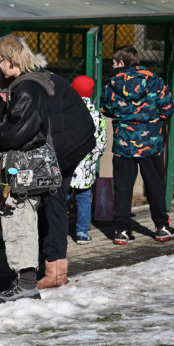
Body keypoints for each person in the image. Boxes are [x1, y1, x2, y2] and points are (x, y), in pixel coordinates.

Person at [0, 36, 96, 300]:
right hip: (75, 141)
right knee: (52, 201)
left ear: (9, 60)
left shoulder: (26, 87)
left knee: (53, 202)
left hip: (64, 147)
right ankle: (54, 267)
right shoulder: (36, 76)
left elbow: (17, 133)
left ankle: (55, 271)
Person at [100, 45, 174, 245]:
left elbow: (106, 109)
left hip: (124, 144)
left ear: (122, 63)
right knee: (155, 186)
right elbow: (167, 108)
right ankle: (162, 227)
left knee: (123, 188)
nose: (112, 66)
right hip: (151, 144)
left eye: (114, 63)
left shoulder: (111, 84)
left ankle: (121, 230)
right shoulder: (154, 80)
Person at [67, 75, 107, 244]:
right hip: (86, 166)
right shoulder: (98, 116)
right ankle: (82, 232)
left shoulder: (67, 112)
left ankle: (59, 232)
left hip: (67, 165)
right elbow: (101, 142)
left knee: (63, 198)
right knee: (84, 199)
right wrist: (92, 159)